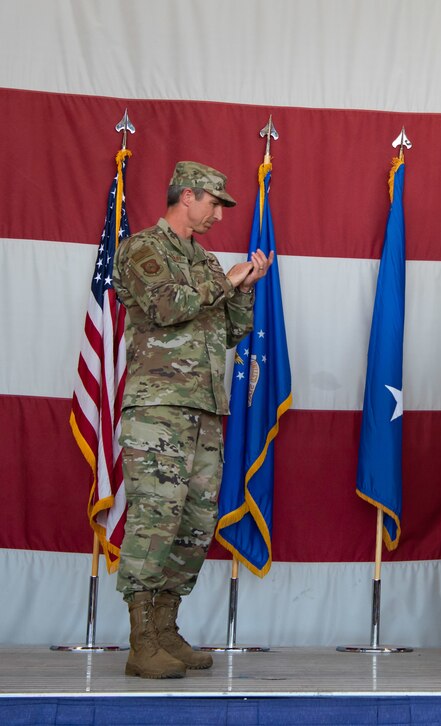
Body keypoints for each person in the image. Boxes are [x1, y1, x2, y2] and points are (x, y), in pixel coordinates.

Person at [114, 161, 271, 679]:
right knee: (155, 517)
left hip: (205, 408)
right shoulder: (142, 248)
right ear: (188, 195)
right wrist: (224, 281)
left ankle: (165, 627)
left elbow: (228, 333)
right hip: (158, 407)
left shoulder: (204, 263)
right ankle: (141, 640)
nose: (219, 215)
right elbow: (163, 307)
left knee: (193, 524)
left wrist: (244, 286)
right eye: (214, 204)